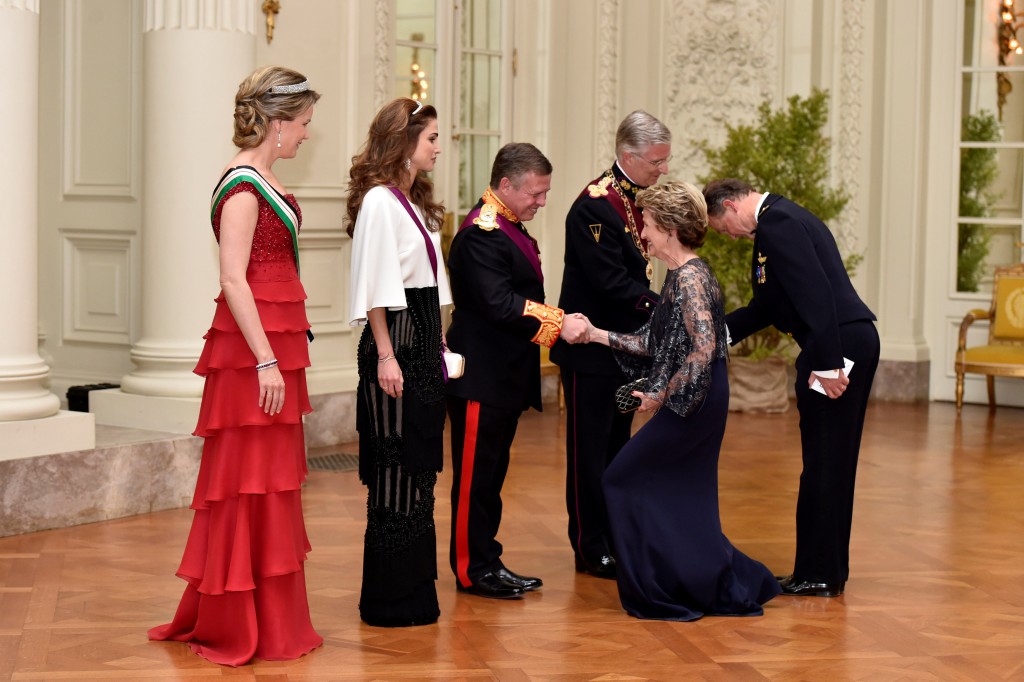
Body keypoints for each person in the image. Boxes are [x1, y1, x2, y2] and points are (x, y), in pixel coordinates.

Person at [148, 66, 322, 665]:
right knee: (246, 483)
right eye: (301, 124)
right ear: (276, 125)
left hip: (272, 349)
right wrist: (267, 361)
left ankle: (271, 620)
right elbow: (232, 278)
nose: (305, 135)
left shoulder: (264, 178)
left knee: (269, 485)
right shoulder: (245, 189)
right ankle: (238, 622)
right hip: (254, 356)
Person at [577, 180, 781, 621]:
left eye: (647, 224)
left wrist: (658, 394)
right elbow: (653, 342)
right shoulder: (682, 274)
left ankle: (662, 584)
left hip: (697, 399)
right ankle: (702, 577)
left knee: (621, 479)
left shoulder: (689, 278)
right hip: (698, 394)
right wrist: (594, 333)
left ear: (668, 227)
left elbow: (704, 348)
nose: (642, 234)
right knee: (684, 494)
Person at [703, 178, 879, 597]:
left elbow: (815, 296)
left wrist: (829, 365)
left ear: (729, 204)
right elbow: (766, 306)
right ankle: (821, 570)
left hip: (836, 346)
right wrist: (715, 333)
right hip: (836, 342)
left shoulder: (778, 223)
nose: (725, 235)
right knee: (826, 459)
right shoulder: (774, 223)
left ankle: (819, 574)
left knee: (826, 460)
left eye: (720, 226)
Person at [445, 142, 588, 599]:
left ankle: (488, 560)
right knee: (474, 482)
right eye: (536, 193)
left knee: (491, 479)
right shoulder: (481, 234)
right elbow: (498, 303)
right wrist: (559, 324)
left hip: (501, 377)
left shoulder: (507, 224)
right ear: (505, 185)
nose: (542, 202)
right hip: (479, 380)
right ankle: (470, 569)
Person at [549, 110, 669, 579]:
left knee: (618, 448)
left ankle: (615, 536)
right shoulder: (594, 206)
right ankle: (589, 545)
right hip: (591, 352)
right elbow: (611, 282)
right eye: (656, 161)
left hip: (622, 348)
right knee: (589, 452)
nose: (662, 169)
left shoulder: (633, 198)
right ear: (627, 156)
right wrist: (665, 307)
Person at [347, 97, 449, 626]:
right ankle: (389, 599)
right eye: (431, 137)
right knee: (395, 472)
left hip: (423, 345)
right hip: (397, 345)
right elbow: (375, 289)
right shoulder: (380, 202)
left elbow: (429, 283)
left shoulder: (413, 201)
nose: (438, 146)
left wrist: (441, 346)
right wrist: (386, 355)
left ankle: (414, 592)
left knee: (420, 470)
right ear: (405, 142)